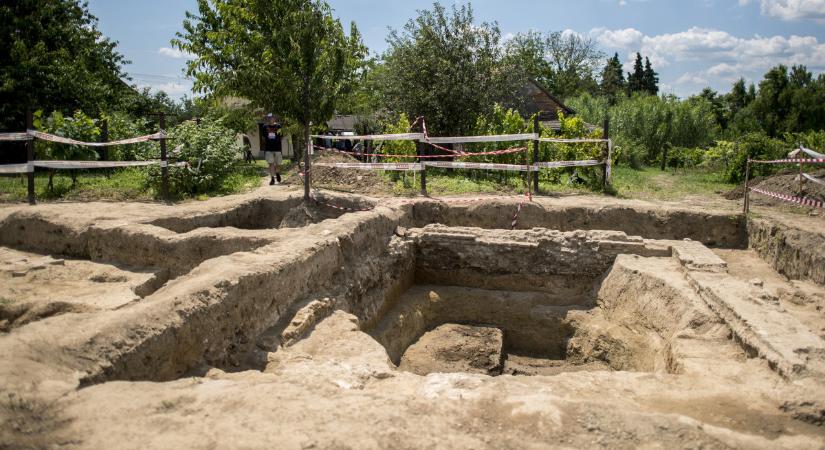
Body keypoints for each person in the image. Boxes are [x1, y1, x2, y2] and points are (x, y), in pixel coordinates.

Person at [262, 114, 282, 185]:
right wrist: (268, 142)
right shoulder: (264, 126)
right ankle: (272, 178)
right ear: (268, 118)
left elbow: (281, 136)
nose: (271, 119)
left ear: (275, 118)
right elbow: (263, 137)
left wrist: (276, 141)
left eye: (272, 117)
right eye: (269, 117)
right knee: (271, 164)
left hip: (277, 148)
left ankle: (277, 173)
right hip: (269, 148)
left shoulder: (278, 126)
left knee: (278, 164)